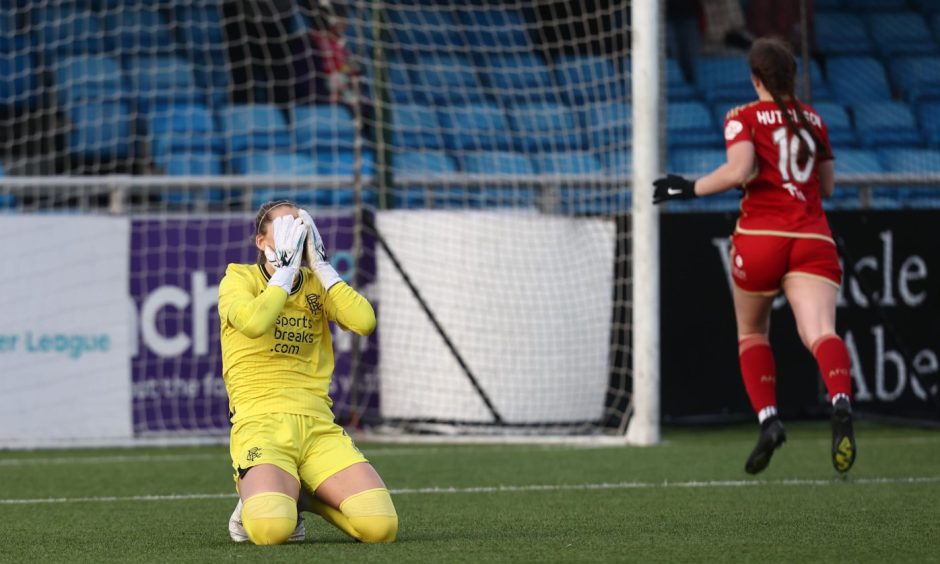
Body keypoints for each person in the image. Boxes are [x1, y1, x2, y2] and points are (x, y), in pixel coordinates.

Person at [653, 37, 856, 475]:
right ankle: (840, 401)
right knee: (820, 332)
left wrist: (686, 187)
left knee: (752, 332)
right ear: (793, 77)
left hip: (761, 236)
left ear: (756, 79)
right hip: (812, 239)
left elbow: (739, 169)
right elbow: (827, 188)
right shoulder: (814, 120)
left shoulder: (741, 117)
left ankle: (769, 420)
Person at [218, 200, 398, 545]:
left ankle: (304, 496)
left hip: (317, 427)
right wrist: (284, 272)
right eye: (285, 228)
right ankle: (257, 498)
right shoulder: (238, 278)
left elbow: (365, 322)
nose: (295, 235)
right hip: (260, 425)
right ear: (261, 242)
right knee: (272, 531)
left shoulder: (316, 283)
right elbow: (254, 323)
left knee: (380, 528)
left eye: (301, 227)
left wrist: (323, 267)